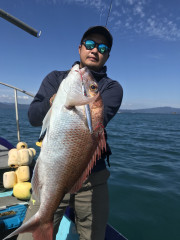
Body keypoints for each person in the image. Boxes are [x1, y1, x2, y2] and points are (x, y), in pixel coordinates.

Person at [17, 26, 123, 240]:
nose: (95, 50)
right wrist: (54, 101)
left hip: (93, 178)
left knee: (93, 236)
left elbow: (97, 119)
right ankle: (42, 222)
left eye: (102, 47)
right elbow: (33, 118)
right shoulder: (55, 78)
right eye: (90, 44)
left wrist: (80, 95)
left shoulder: (112, 88)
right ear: (80, 48)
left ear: (108, 55)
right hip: (52, 171)